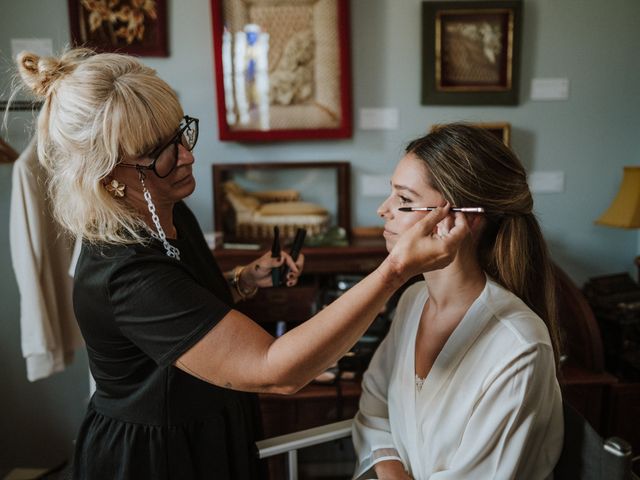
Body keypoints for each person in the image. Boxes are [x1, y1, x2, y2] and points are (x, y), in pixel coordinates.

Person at [12, 48, 469, 480]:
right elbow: (277, 371)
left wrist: (240, 280)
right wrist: (394, 272)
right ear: (109, 175)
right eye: (163, 151)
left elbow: (184, 315)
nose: (188, 155)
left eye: (180, 132)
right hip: (157, 457)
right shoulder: (125, 273)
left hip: (210, 427)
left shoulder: (169, 207)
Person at [352, 124, 564, 480]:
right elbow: (374, 409)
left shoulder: (520, 346)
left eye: (404, 200)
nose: (382, 210)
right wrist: (391, 471)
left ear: (462, 220)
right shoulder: (413, 301)